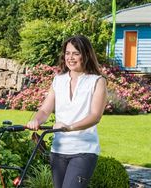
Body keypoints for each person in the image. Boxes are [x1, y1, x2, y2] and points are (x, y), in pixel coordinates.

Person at [25, 35, 108, 187]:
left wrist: (69, 127)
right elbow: (45, 109)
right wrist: (36, 120)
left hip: (83, 150)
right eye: (68, 53)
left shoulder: (97, 81)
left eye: (76, 53)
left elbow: (95, 116)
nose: (70, 57)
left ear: (86, 55)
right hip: (59, 149)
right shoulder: (58, 80)